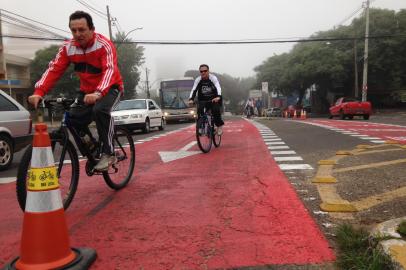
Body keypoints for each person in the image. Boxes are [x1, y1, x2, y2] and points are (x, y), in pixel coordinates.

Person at [28, 11, 123, 171]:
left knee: (100, 110)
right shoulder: (68, 48)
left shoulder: (104, 45)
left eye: (82, 29)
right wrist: (39, 92)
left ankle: (109, 153)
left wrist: (98, 93)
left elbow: (109, 70)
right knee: (72, 119)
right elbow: (54, 69)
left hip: (111, 88)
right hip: (86, 91)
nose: (78, 34)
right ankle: (93, 148)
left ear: (92, 29)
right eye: (74, 30)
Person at [188, 64, 224, 135]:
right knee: (200, 111)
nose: (203, 72)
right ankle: (200, 127)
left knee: (215, 110)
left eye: (205, 71)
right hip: (203, 100)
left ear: (208, 71)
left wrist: (218, 96)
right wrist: (191, 99)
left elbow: (218, 87)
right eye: (201, 71)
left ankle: (219, 126)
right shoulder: (198, 80)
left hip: (214, 99)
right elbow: (194, 89)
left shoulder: (213, 78)